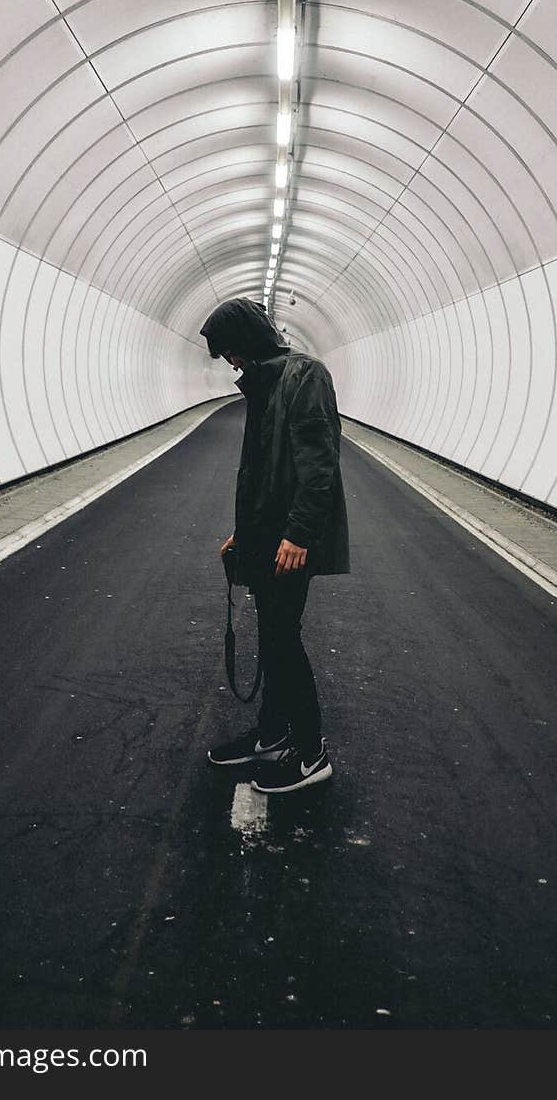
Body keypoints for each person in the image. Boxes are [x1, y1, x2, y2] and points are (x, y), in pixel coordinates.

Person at [199, 297, 349, 793]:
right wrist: (244, 533)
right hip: (265, 537)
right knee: (272, 635)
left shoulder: (305, 377)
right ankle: (273, 734)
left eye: (231, 352)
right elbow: (262, 471)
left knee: (283, 639)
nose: (231, 363)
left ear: (247, 340)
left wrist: (300, 533)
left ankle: (310, 753)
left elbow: (319, 463)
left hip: (290, 540)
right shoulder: (265, 384)